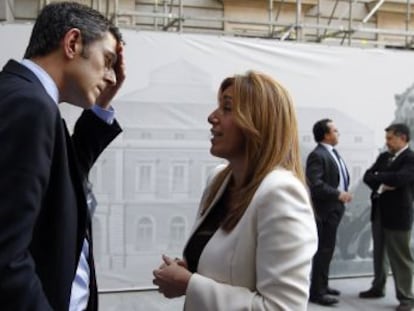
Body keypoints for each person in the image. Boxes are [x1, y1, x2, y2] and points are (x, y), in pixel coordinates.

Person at [152, 71, 318, 310]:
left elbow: (282, 307)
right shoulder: (219, 180)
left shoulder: (281, 193)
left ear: (258, 123)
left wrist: (190, 284)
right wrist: (190, 271)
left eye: (227, 108)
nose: (212, 117)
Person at [0, 2, 125, 310]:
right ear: (72, 43)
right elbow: (6, 254)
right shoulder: (30, 105)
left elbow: (64, 178)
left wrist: (102, 106)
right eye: (107, 61)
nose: (111, 77)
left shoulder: (26, 97)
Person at [359, 123, 414, 311]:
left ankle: (406, 298)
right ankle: (377, 287)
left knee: (400, 257)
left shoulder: (410, 158)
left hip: (398, 214)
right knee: (379, 253)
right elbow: (367, 176)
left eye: (390, 138)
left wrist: (379, 177)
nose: (387, 142)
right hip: (379, 211)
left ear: (403, 138)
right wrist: (383, 184)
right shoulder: (384, 157)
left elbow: (401, 179)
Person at [306, 118, 352, 306]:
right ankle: (317, 292)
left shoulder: (332, 153)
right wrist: (338, 194)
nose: (338, 133)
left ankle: (322, 286)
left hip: (334, 209)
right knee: (323, 250)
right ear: (326, 134)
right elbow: (316, 185)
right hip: (325, 210)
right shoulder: (318, 155)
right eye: (335, 130)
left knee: (328, 250)